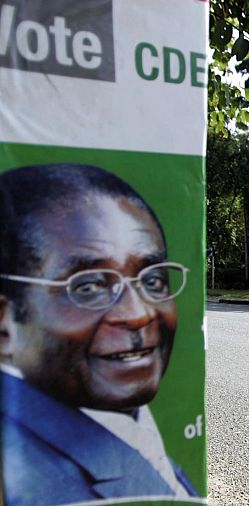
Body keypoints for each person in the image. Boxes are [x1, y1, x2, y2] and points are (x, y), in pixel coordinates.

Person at [0, 164, 198, 504]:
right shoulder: (37, 481)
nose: (138, 314)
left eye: (152, 280)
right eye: (89, 286)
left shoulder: (126, 429)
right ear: (4, 324)